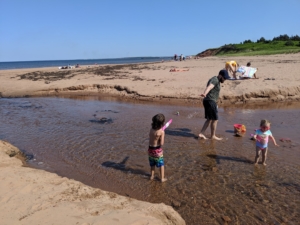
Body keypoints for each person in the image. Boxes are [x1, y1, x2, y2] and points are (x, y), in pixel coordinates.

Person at [198, 70, 231, 140]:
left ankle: (201, 133)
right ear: (220, 75)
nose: (225, 79)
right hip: (210, 101)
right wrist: (205, 93)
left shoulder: (215, 80)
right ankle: (213, 136)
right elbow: (210, 87)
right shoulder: (215, 80)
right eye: (224, 78)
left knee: (209, 119)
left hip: (208, 101)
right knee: (215, 119)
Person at [148, 114, 167, 182]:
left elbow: (151, 137)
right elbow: (161, 143)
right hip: (157, 150)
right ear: (162, 123)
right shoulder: (162, 131)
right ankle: (162, 178)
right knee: (161, 164)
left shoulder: (151, 129)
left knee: (152, 164)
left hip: (150, 149)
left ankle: (152, 176)